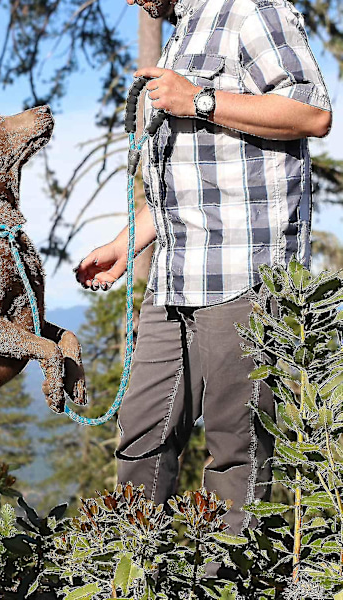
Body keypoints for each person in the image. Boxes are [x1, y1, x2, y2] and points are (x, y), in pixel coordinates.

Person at [74, 0, 332, 538]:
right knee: (140, 439)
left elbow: (312, 113)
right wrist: (127, 242)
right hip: (174, 277)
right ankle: (134, 578)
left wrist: (200, 99)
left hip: (247, 276)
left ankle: (224, 585)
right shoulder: (184, 31)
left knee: (235, 455)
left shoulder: (251, 9)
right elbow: (194, 179)